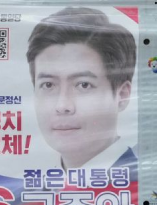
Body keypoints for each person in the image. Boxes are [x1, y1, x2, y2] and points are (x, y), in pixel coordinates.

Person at [27, 7, 136, 171]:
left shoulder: (142, 182)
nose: (62, 106)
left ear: (122, 95)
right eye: (48, 85)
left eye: (84, 85)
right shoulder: (32, 185)